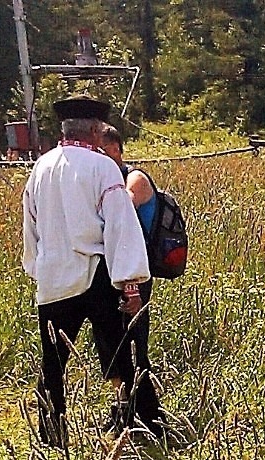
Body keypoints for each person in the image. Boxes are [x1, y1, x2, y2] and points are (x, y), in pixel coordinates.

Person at [21, 97, 152, 447]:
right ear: (95, 131)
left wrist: (38, 267)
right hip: (94, 274)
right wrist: (131, 284)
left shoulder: (40, 167)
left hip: (52, 277)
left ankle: (52, 436)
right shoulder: (103, 167)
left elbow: (30, 225)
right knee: (120, 352)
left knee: (53, 362)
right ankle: (137, 426)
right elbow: (119, 228)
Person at [99, 126, 165, 440]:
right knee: (113, 343)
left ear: (117, 150)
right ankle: (122, 408)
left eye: (105, 151)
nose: (100, 158)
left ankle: (149, 417)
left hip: (137, 274)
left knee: (135, 342)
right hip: (114, 273)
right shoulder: (106, 181)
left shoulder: (134, 178)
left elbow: (121, 211)